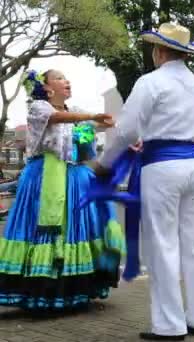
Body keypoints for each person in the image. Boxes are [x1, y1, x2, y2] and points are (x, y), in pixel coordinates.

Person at [94, 23, 194, 340]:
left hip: (163, 165)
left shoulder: (151, 82)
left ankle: (169, 324)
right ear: (183, 53)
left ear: (159, 51)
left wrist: (105, 163)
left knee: (162, 244)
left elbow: (127, 131)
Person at [0, 69, 122, 310]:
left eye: (68, 78)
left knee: (77, 230)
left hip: (75, 177)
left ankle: (75, 288)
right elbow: (59, 118)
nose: (67, 81)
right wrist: (92, 116)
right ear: (47, 87)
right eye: (59, 78)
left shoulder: (73, 110)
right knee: (47, 231)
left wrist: (117, 130)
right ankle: (42, 289)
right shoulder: (39, 108)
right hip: (45, 177)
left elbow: (92, 128)